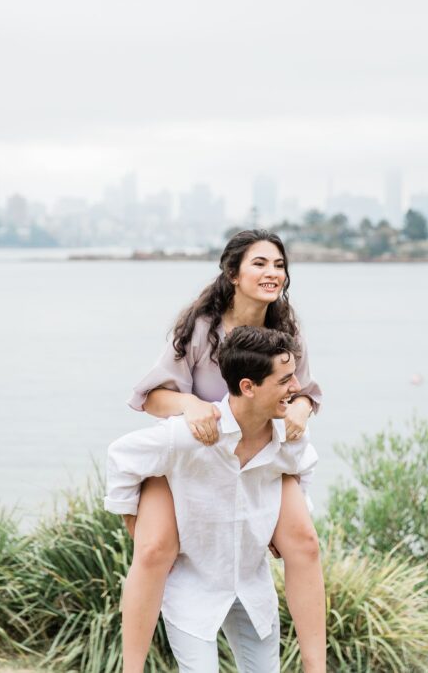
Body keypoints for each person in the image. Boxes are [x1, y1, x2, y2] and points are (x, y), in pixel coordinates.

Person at [121, 230, 326, 673]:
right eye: (260, 263)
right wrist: (190, 404)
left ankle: (316, 667)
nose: (272, 273)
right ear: (233, 273)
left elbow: (305, 392)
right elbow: (150, 397)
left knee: (305, 543)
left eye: (278, 265)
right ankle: (130, 668)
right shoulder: (199, 327)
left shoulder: (287, 331)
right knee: (154, 549)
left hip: (260, 454)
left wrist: (303, 411)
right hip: (193, 453)